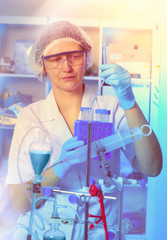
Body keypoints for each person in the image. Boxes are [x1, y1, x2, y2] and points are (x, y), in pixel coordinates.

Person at [5, 20, 162, 240]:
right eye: (56, 59)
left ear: (86, 57)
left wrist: (129, 102)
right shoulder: (30, 116)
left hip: (102, 233)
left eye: (74, 56)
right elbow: (20, 202)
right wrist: (59, 168)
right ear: (43, 65)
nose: (66, 67)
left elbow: (152, 167)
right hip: (49, 233)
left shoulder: (112, 107)